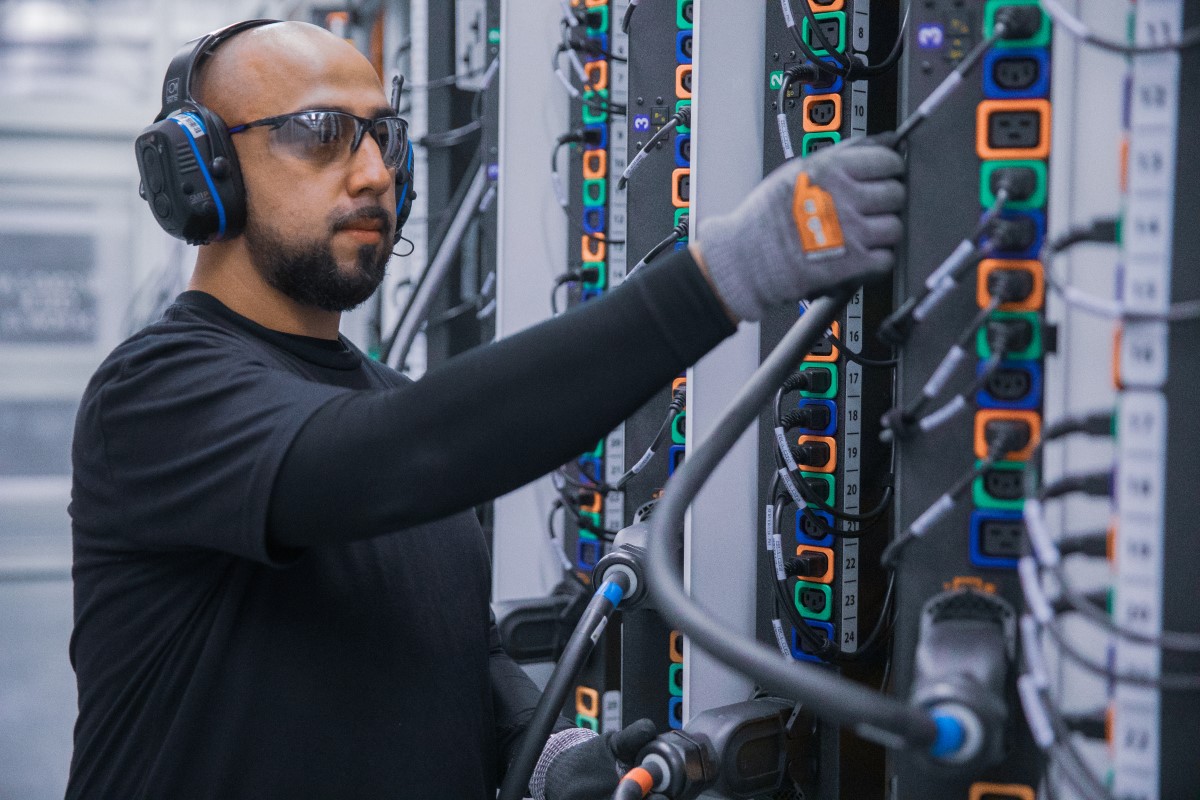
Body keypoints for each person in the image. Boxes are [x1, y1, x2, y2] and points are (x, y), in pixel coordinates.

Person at [66, 19, 905, 800]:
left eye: (384, 137)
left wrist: (538, 749)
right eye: (321, 133)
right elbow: (388, 459)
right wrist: (718, 280)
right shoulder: (153, 394)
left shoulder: (387, 402)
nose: (374, 174)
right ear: (199, 173)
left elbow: (450, 643)